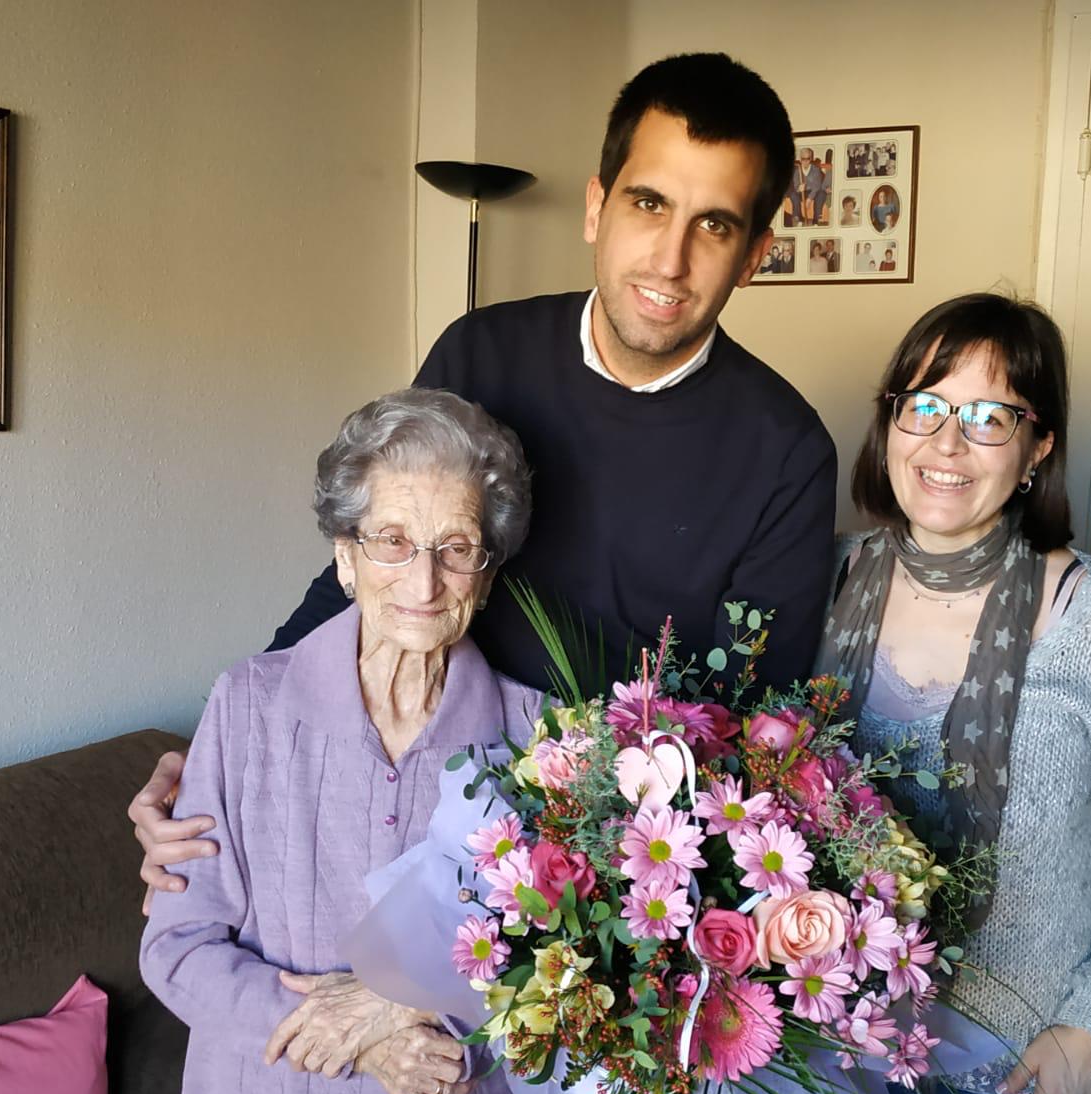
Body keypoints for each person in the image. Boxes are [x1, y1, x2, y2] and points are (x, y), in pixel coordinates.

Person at [131, 53, 837, 904]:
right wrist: (217, 754)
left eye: (714, 225)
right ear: (595, 206)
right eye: (648, 203)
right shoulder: (479, 353)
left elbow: (745, 726)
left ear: (755, 253)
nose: (670, 258)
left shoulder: (788, 451)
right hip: (391, 769)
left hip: (599, 854)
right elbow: (369, 571)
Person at [818, 293, 1091, 1094]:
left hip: (1018, 1063)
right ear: (890, 425)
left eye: (992, 417)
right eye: (926, 405)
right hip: (836, 1040)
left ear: (1037, 450)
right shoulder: (820, 578)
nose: (947, 445)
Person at [140, 389, 547, 1094]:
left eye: (455, 547)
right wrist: (358, 1037)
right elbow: (176, 950)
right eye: (391, 541)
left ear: (488, 574)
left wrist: (418, 1018)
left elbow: (557, 971)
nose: (423, 581)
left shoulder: (534, 739)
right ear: (344, 557)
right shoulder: (249, 706)